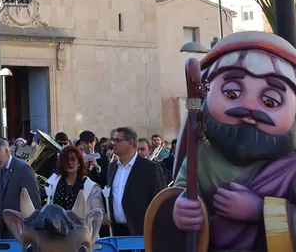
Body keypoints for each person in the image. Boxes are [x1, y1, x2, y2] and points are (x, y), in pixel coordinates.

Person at [171, 32, 296, 250]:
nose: (249, 107)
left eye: (270, 101)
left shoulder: (292, 171)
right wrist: (181, 208)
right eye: (231, 94)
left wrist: (261, 210)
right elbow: (180, 192)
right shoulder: (200, 159)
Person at [104, 127, 163, 237]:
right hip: (117, 232)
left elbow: (159, 201)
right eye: (113, 140)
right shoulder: (112, 167)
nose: (113, 143)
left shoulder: (150, 168)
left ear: (130, 143)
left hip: (141, 233)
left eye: (117, 140)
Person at [0, 138, 40, 239]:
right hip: (7, 232)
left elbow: (34, 201)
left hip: (23, 231)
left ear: (6, 151)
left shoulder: (23, 169)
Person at [45, 145, 104, 215]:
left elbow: (98, 214)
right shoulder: (56, 181)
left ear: (79, 162)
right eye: (66, 160)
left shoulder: (92, 187)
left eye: (73, 159)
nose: (69, 163)